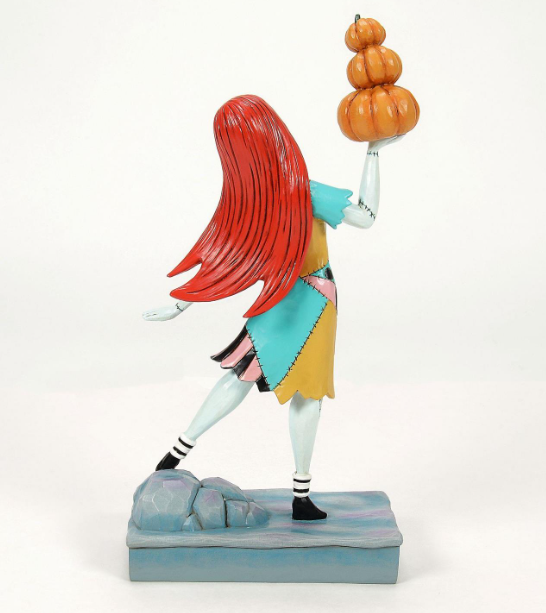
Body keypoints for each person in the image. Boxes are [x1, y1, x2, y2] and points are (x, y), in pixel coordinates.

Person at [144, 95, 403, 520]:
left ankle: (176, 452)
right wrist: (373, 152)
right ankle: (300, 495)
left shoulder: (249, 202)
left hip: (282, 300)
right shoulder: (303, 192)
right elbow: (367, 215)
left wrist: (180, 303)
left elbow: (224, 256)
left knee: (242, 372)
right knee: (306, 393)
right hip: (312, 300)